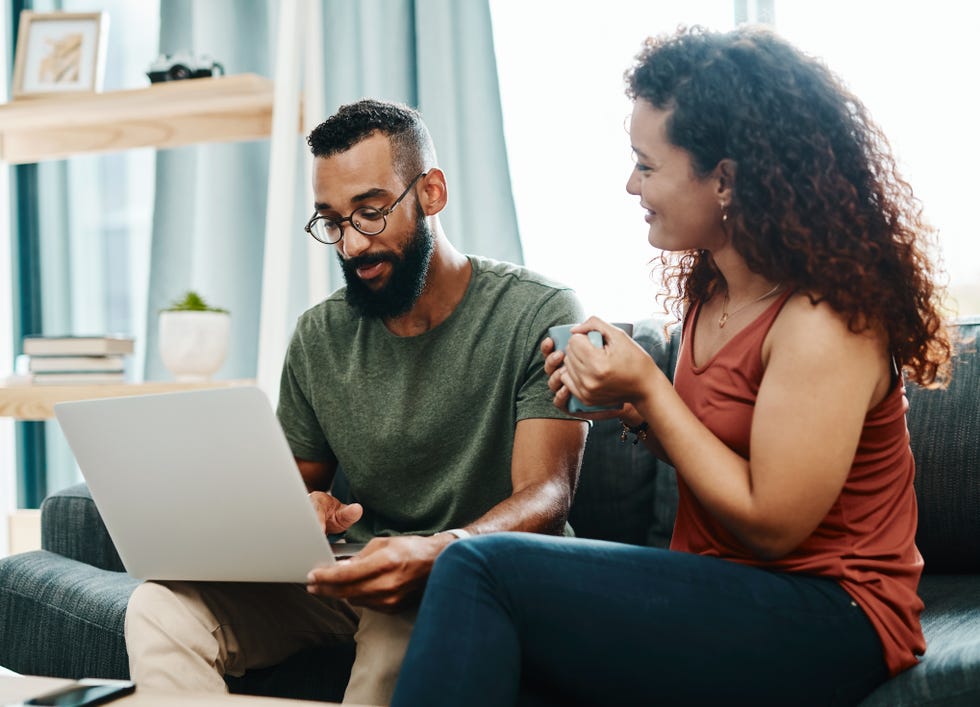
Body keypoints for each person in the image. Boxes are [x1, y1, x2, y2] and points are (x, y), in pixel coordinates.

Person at [391, 25, 952, 707]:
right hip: (725, 593)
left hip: (833, 614)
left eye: (647, 164)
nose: (631, 183)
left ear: (726, 178)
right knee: (503, 645)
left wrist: (653, 390)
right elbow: (715, 446)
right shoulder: (714, 287)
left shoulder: (825, 321)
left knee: (479, 566)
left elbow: (774, 522)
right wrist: (628, 406)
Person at [124, 99, 589, 706]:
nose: (350, 245)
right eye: (332, 221)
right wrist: (301, 508)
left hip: (471, 575)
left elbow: (548, 495)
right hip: (352, 572)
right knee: (159, 608)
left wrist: (436, 550)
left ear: (432, 192)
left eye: (370, 214)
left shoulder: (539, 311)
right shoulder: (319, 336)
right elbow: (295, 487)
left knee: (405, 624)